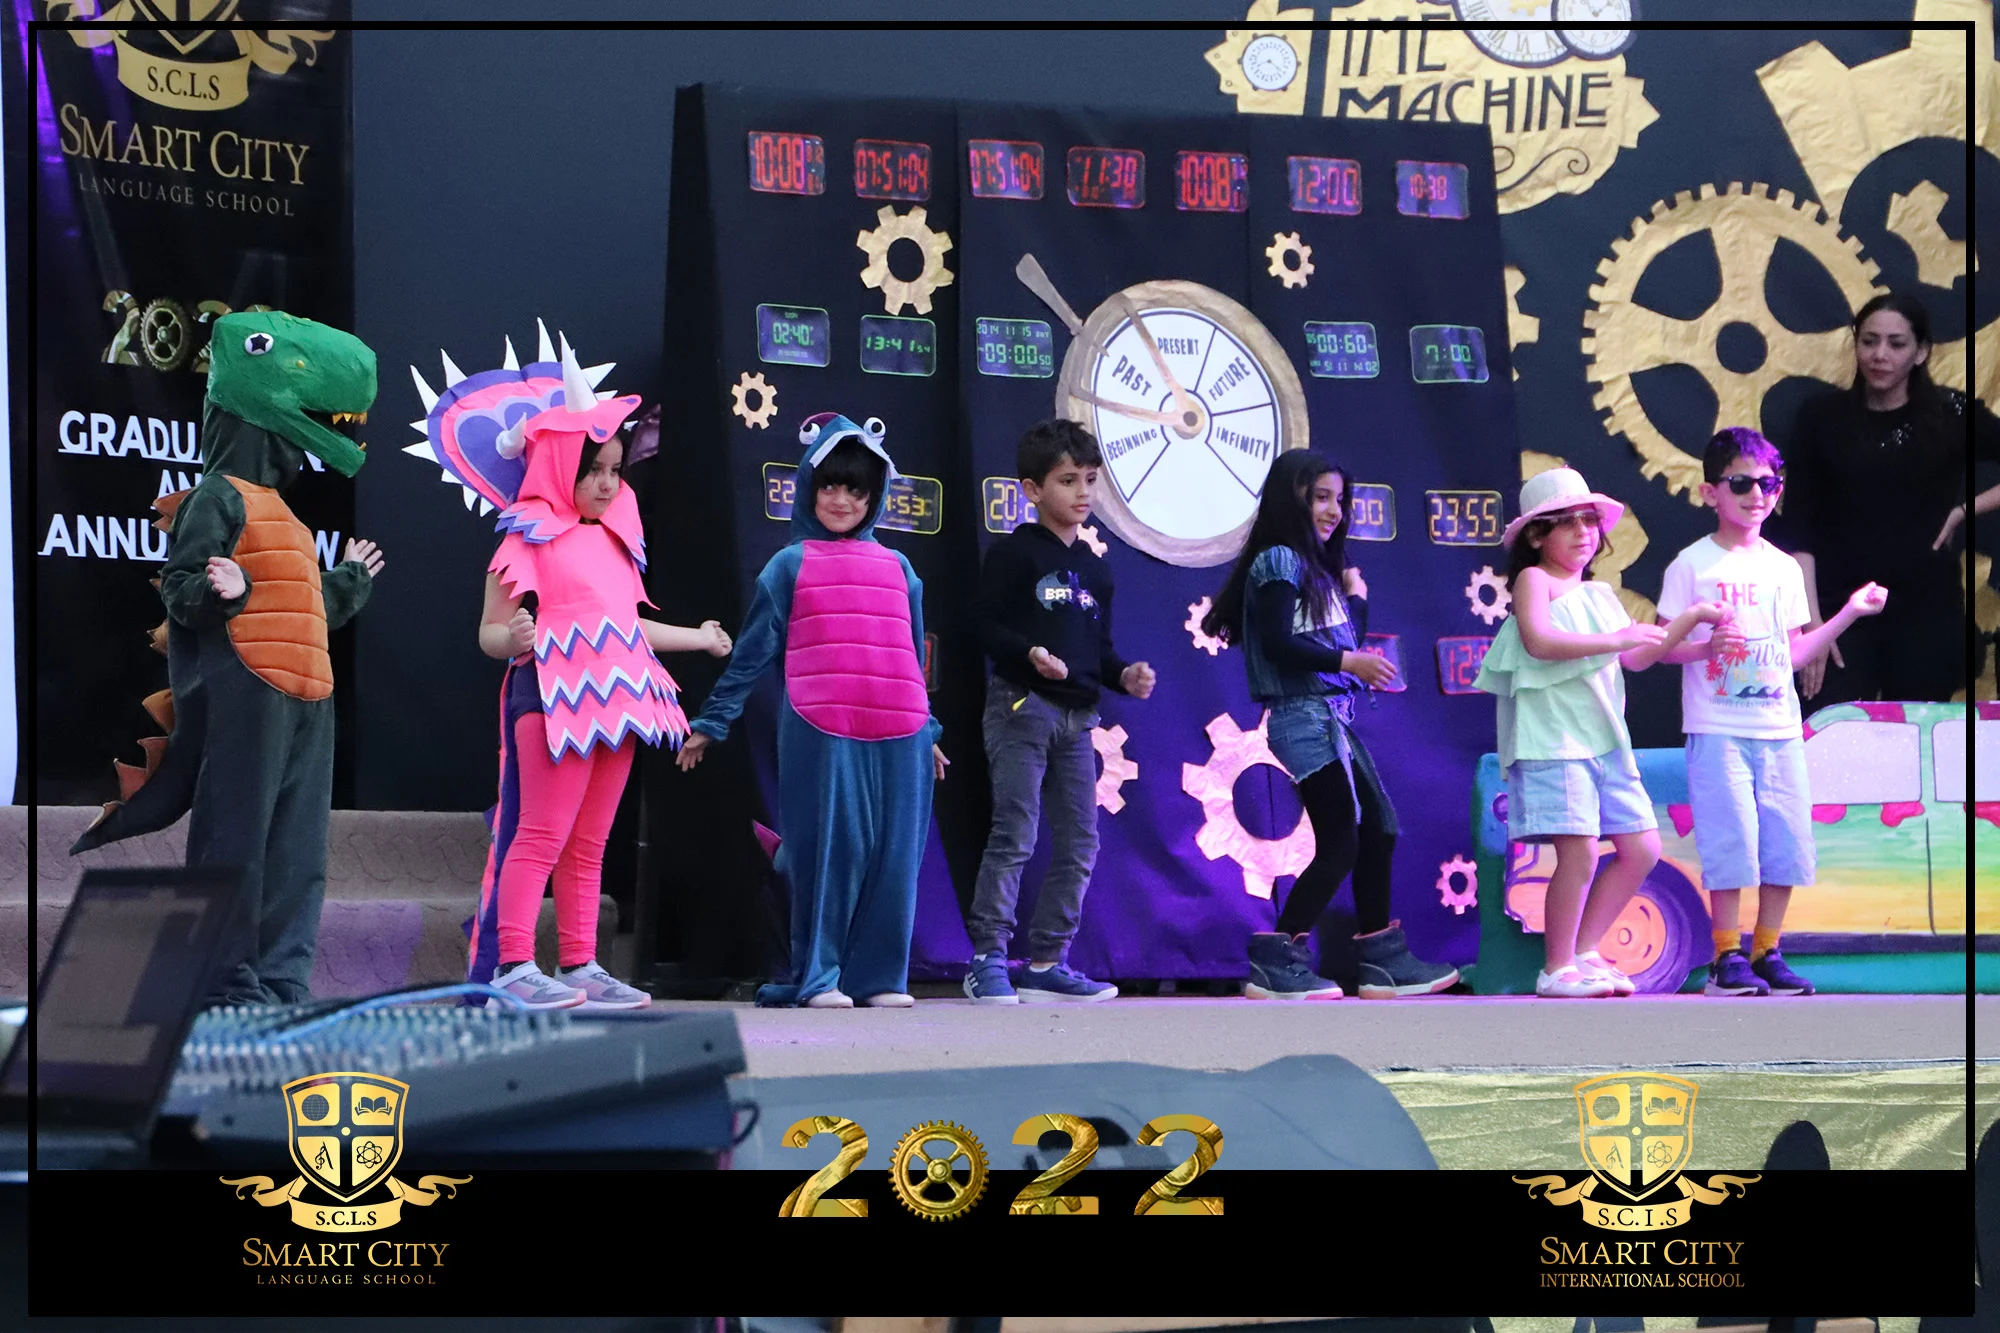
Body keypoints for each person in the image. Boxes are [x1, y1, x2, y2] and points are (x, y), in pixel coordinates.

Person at [71, 311, 384, 1008]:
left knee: (297, 849)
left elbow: (305, 607)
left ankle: (280, 980)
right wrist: (228, 592)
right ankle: (222, 979)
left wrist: (349, 582)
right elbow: (183, 588)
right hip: (247, 694)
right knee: (235, 837)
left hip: (309, 703)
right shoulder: (217, 495)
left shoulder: (290, 520)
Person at [465, 342, 731, 1010]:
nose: (608, 484)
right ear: (559, 465)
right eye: (593, 471)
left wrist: (697, 638)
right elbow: (489, 630)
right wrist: (512, 637)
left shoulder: (616, 536)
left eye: (614, 469)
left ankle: (580, 962)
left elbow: (627, 627)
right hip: (550, 697)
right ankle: (513, 965)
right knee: (541, 834)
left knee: (590, 842)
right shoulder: (525, 535)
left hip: (621, 700)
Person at [679, 412, 947, 1009]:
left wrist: (928, 731)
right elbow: (752, 653)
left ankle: (879, 978)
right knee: (828, 854)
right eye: (830, 486)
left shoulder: (901, 569)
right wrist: (713, 721)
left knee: (895, 857)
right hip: (822, 727)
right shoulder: (789, 565)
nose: (842, 500)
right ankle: (818, 977)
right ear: (808, 486)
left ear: (875, 497)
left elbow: (910, 655)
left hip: (901, 731)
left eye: (857, 490)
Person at [1201, 450, 1459, 999]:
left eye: (1339, 499)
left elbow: (1339, 640)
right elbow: (1279, 643)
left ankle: (1381, 961)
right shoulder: (1279, 560)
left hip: (1328, 717)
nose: (1334, 510)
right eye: (1320, 497)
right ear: (1289, 498)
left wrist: (1356, 599)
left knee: (1379, 829)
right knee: (1341, 842)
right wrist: (1350, 663)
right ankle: (1277, 959)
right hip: (1302, 717)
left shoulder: (1311, 569)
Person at [1474, 467, 1728, 998]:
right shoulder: (1535, 580)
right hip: (1553, 741)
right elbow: (1540, 641)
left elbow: (1639, 655)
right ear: (1536, 536)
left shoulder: (1600, 593)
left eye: (1589, 521)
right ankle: (1556, 968)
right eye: (1567, 523)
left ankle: (1585, 951)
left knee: (1643, 848)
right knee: (1581, 853)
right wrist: (1617, 639)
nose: (1584, 532)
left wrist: (1697, 632)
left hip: (1605, 743)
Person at [1656, 428, 1887, 997]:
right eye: (1741, 483)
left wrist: (1849, 612)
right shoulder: (1692, 564)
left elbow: (1795, 653)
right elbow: (1660, 647)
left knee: (1785, 839)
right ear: (1710, 492)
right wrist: (1703, 647)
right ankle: (1725, 955)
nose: (1757, 494)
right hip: (1717, 727)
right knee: (1730, 838)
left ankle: (1767, 950)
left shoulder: (1784, 568)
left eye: (1769, 483)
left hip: (1779, 728)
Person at [962, 420, 1155, 1005]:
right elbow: (981, 624)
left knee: (1079, 842)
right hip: (1022, 707)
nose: (1082, 492)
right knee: (1015, 834)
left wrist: (1124, 675)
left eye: (1090, 480)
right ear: (1032, 489)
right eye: (1068, 480)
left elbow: (1099, 650)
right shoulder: (1014, 553)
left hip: (1078, 720)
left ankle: (1047, 961)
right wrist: (1029, 654)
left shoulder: (1096, 567)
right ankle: (986, 959)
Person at [1775, 292, 2000, 705]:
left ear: (1921, 352)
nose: (1880, 355)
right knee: (1836, 731)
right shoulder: (1821, 417)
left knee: (1919, 735)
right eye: (1869, 341)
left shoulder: (1951, 414)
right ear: (1856, 344)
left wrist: (1964, 511)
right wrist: (1812, 625)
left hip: (1926, 613)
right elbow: (1799, 528)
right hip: (1840, 611)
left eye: (1896, 344)